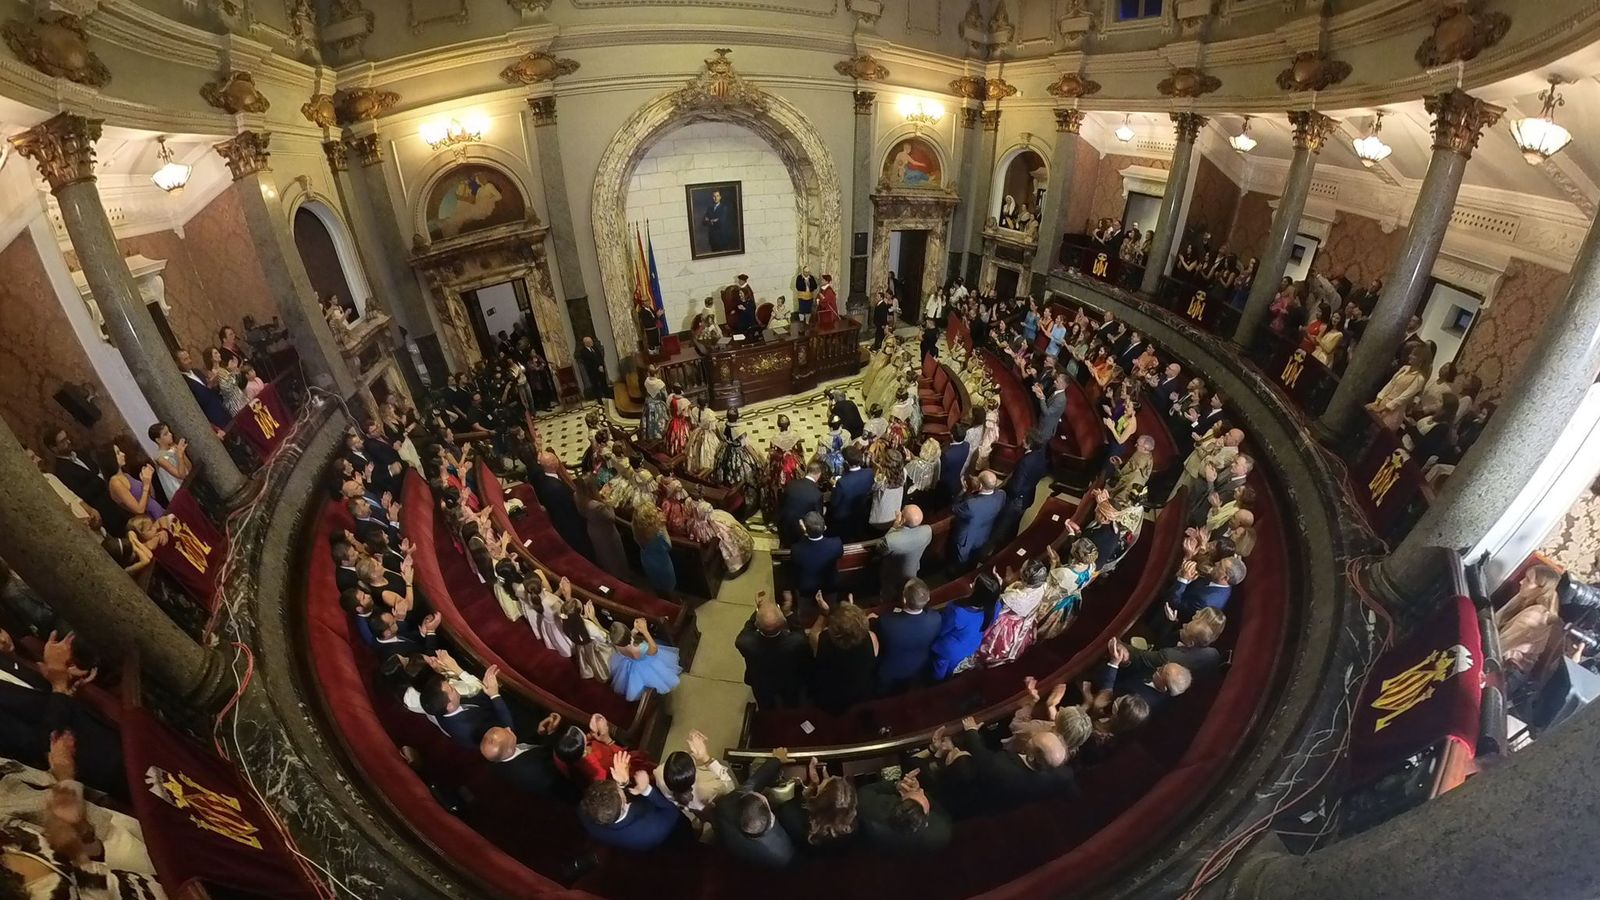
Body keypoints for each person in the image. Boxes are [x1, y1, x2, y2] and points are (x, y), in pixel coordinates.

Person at [954, 714, 1078, 814]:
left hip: (979, 800)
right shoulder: (1064, 775)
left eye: (1033, 739)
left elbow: (980, 755)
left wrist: (971, 731)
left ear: (1031, 755)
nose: (1033, 735)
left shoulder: (1001, 765)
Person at [579, 748, 688, 851]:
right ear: (623, 801)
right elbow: (672, 811)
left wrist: (623, 784)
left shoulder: (586, 815)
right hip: (669, 834)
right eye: (617, 787)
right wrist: (647, 790)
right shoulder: (651, 830)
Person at [709, 752, 793, 867]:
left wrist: (776, 760)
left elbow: (751, 784)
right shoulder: (782, 853)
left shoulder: (725, 807)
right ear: (769, 811)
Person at [479, 715, 577, 801]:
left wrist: (539, 733)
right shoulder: (532, 769)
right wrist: (552, 733)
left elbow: (525, 746)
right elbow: (554, 758)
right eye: (507, 731)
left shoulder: (504, 753)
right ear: (508, 750)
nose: (508, 728)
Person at [737, 593, 810, 709]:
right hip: (788, 679)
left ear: (757, 624)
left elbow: (748, 628)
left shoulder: (744, 642)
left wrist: (758, 610)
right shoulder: (797, 641)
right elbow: (799, 631)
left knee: (765, 704)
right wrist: (788, 613)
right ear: (782, 623)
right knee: (791, 701)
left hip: (761, 681)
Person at [1494, 565, 1564, 683]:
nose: (1521, 582)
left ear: (1541, 589)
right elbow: (1495, 621)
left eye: (1527, 580)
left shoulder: (1535, 616)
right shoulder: (1524, 599)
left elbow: (1500, 646)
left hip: (1505, 673)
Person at [808, 597, 878, 715]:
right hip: (861, 694)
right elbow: (860, 632)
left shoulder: (821, 640)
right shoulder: (871, 638)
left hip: (831, 698)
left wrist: (824, 613)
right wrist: (853, 617)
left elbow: (813, 633)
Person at [874, 579, 942, 694]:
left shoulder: (886, 622)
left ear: (904, 599)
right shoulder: (936, 618)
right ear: (928, 598)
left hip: (891, 671)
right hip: (919, 667)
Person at [419, 664, 512, 747]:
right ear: (449, 706)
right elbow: (506, 731)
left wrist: (485, 686)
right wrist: (494, 695)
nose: (454, 686)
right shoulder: (471, 729)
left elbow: (477, 702)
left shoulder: (442, 707)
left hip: (488, 707)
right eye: (451, 689)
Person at [778, 758, 860, 852]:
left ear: (820, 800)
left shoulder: (791, 815)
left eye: (829, 781)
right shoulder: (852, 827)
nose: (832, 776)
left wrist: (810, 790)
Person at [1092, 638, 1192, 715]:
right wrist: (1126, 661)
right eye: (1163, 666)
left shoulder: (1141, 702)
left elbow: (1107, 699)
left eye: (1161, 670)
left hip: (1099, 691)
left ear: (1164, 687)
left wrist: (1114, 663)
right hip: (1114, 674)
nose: (1158, 668)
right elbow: (1137, 668)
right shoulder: (1157, 679)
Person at [977, 560, 1048, 667]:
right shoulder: (1042, 585)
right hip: (1022, 622)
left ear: (1023, 576)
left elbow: (997, 604)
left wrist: (1000, 584)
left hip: (1006, 624)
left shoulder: (1014, 597)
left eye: (1022, 568)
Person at [534, 450, 594, 559]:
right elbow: (570, 507)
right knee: (584, 550)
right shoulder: (556, 488)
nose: (557, 460)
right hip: (571, 524)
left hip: (561, 519)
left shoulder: (543, 478)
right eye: (555, 459)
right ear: (552, 464)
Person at [93, 444, 163, 535]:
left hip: (158, 510)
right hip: (151, 521)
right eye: (118, 453)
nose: (123, 454)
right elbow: (139, 510)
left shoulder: (125, 475)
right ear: (110, 459)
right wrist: (145, 485)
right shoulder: (115, 482)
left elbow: (151, 497)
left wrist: (148, 480)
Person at [609, 618, 681, 700]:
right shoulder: (638, 648)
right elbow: (654, 650)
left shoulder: (617, 644)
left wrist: (635, 630)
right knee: (657, 679)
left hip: (629, 664)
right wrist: (645, 632)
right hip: (645, 665)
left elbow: (627, 640)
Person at [950, 470, 1006, 568]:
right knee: (973, 562)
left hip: (966, 541)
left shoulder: (971, 505)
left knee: (960, 565)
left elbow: (954, 508)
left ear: (980, 486)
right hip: (983, 536)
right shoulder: (1001, 495)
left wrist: (964, 491)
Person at [879, 504, 931, 602]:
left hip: (892, 574)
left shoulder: (891, 540)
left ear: (902, 520)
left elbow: (880, 550)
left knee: (889, 594)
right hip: (912, 570)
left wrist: (894, 527)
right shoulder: (927, 531)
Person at [789, 512, 843, 600]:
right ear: (824, 527)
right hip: (830, 588)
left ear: (805, 530)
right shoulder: (836, 543)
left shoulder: (796, 549)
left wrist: (805, 533)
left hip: (807, 590)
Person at [175, 348, 232, 428]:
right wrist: (209, 386)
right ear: (178, 363)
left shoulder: (196, 371)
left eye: (189, 357)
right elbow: (198, 400)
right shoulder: (183, 381)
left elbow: (211, 390)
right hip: (212, 417)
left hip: (222, 408)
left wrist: (214, 384)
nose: (190, 361)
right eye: (185, 359)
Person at [827, 446, 875, 540]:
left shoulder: (842, 483)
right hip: (863, 513)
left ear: (846, 462)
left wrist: (834, 486)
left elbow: (834, 503)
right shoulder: (869, 473)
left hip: (844, 518)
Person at [777, 461, 826, 546]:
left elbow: (781, 503)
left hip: (785, 524)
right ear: (819, 474)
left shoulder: (791, 484)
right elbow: (817, 518)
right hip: (801, 530)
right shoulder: (817, 494)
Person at [632, 505, 677, 595]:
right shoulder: (658, 538)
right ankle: (669, 596)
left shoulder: (638, 532)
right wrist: (663, 527)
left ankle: (659, 592)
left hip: (647, 561)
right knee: (667, 584)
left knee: (655, 580)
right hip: (662, 564)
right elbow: (669, 546)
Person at [1028, 373, 1068, 447]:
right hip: (1042, 423)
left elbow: (1047, 412)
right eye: (1056, 380)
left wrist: (1042, 398)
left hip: (1046, 429)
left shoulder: (1061, 399)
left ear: (1063, 385)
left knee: (1039, 447)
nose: (1054, 382)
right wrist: (1041, 394)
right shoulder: (1056, 391)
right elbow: (1048, 404)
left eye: (1057, 381)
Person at [576, 335, 609, 403]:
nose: (592, 342)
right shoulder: (583, 352)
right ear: (586, 343)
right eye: (590, 342)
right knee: (596, 385)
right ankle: (599, 399)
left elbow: (600, 357)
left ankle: (607, 395)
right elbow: (588, 363)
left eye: (591, 341)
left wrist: (601, 365)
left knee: (603, 382)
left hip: (601, 368)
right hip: (593, 371)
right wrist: (597, 367)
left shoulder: (595, 348)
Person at [641, 365, 669, 443]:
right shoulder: (660, 384)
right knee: (659, 422)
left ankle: (649, 437)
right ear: (657, 373)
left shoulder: (646, 381)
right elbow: (665, 396)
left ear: (648, 373)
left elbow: (647, 392)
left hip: (648, 405)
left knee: (648, 422)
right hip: (658, 406)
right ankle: (660, 438)